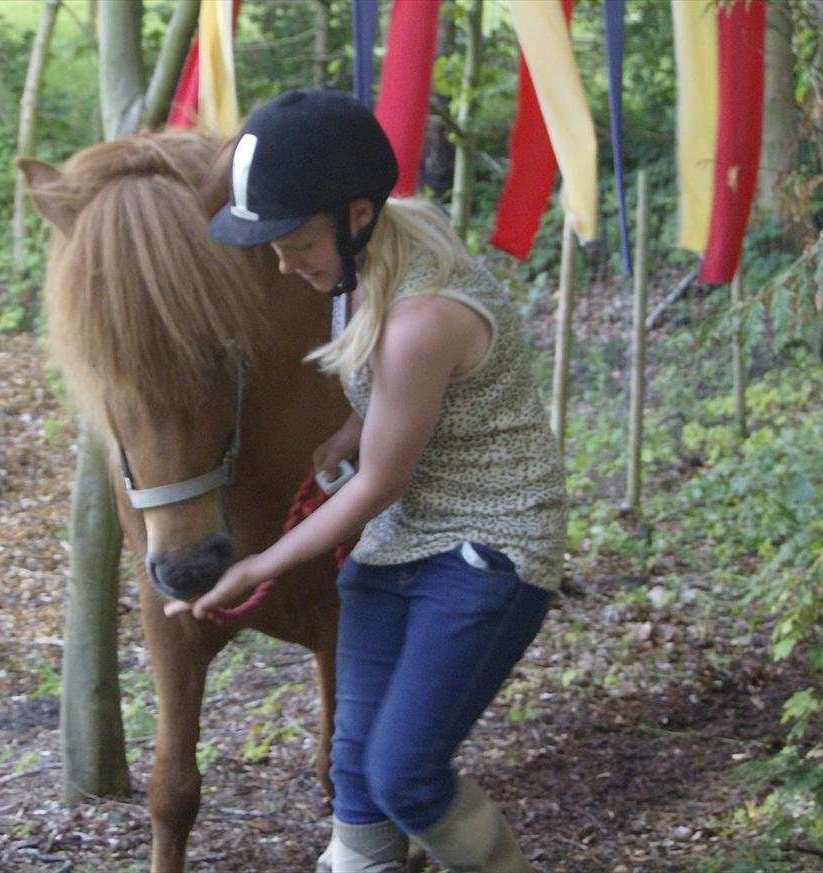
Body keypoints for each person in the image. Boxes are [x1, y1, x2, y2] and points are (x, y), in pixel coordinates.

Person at [165, 89, 566, 873]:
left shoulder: (422, 317)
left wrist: (258, 565)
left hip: (488, 544)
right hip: (401, 540)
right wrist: (352, 426)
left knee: (405, 777)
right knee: (355, 777)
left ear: (354, 214)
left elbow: (377, 484)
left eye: (294, 241)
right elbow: (402, 413)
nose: (283, 263)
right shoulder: (367, 259)